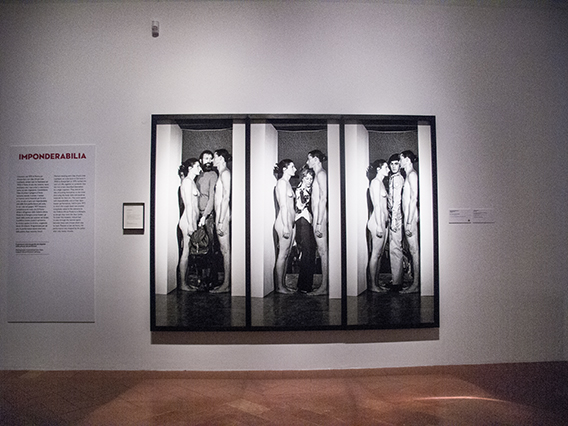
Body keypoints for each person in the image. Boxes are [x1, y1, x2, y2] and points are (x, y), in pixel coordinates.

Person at [273, 159, 297, 294]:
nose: (295, 169)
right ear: (284, 169)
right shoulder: (281, 183)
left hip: (290, 223)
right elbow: (283, 206)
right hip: (283, 223)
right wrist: (287, 226)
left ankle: (283, 284)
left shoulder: (287, 183)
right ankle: (280, 287)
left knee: (287, 254)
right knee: (282, 254)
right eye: (292, 166)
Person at [178, 158, 202, 291]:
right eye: (197, 166)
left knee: (188, 252)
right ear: (190, 168)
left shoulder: (191, 182)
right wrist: (191, 224)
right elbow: (188, 205)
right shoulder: (187, 182)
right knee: (185, 252)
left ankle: (185, 282)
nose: (200, 169)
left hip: (191, 220)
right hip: (187, 221)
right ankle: (183, 284)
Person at [306, 150, 328, 295]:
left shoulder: (321, 174)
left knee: (323, 252)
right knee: (321, 251)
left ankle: (324, 287)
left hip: (320, 218)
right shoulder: (318, 174)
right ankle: (324, 286)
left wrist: (319, 222)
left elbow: (323, 198)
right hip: (317, 217)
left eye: (309, 159)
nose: (307, 162)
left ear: (315, 159)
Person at [367, 159, 390, 293]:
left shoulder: (381, 183)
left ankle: (376, 282)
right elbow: (376, 205)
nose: (388, 169)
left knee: (380, 254)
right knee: (375, 254)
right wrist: (380, 226)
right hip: (377, 223)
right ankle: (372, 285)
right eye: (386, 167)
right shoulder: (375, 183)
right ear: (378, 169)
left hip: (383, 222)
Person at [210, 149, 231, 293]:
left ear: (221, 158)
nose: (213, 160)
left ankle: (226, 284)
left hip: (222, 216)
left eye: (215, 157)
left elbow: (226, 197)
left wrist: (221, 220)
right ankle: (226, 283)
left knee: (225, 250)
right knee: (224, 250)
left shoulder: (225, 173)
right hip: (220, 215)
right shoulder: (222, 173)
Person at [294, 166, 317, 293]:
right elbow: (299, 207)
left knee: (310, 252)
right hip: (302, 221)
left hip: (307, 222)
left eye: (311, 178)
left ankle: (305, 284)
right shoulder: (300, 190)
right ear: (302, 178)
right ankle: (304, 286)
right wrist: (306, 199)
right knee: (307, 252)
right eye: (307, 178)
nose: (309, 181)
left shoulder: (308, 189)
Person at [400, 150, 420, 294]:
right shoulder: (408, 175)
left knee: (414, 250)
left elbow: (414, 199)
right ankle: (415, 282)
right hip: (408, 217)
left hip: (410, 218)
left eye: (401, 159)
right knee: (412, 250)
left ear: (407, 159)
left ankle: (416, 284)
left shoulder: (412, 174)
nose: (400, 161)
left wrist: (408, 221)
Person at [387, 153, 404, 288]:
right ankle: (396, 279)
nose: (393, 166)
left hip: (396, 217)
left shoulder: (397, 179)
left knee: (395, 249)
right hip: (393, 215)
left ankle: (397, 282)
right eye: (391, 164)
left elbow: (397, 201)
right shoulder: (393, 178)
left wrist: (394, 220)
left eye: (396, 164)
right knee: (394, 248)